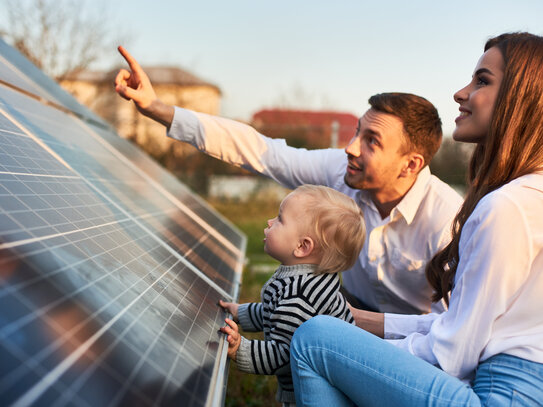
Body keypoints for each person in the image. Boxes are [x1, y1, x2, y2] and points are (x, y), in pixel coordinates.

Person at [289, 32, 543, 406]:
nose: (461, 92)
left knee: (314, 339)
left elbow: (452, 354)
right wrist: (354, 321)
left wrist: (359, 358)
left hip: (500, 396)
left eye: (482, 80)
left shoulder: (506, 207)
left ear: (520, 100)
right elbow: (460, 323)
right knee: (331, 332)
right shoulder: (528, 197)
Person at [114, 47, 463, 316]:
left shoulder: (447, 220)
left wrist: (355, 325)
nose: (351, 147)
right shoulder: (342, 170)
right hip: (349, 309)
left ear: (410, 164)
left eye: (372, 140)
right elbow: (261, 151)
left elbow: (450, 331)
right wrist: (158, 109)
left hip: (415, 342)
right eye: (358, 131)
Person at [218, 184, 365, 406]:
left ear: (302, 246)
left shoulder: (300, 296)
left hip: (316, 392)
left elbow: (283, 354)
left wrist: (240, 349)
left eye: (279, 219)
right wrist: (241, 312)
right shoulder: (305, 278)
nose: (269, 222)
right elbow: (274, 311)